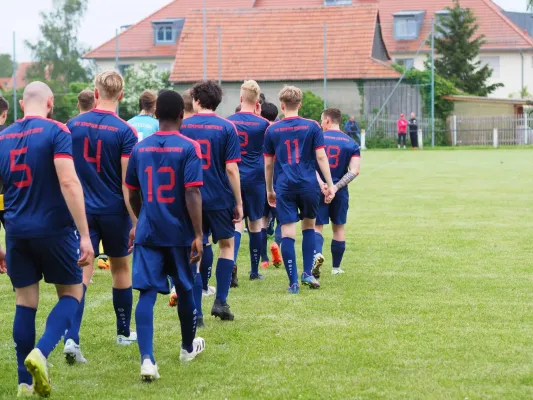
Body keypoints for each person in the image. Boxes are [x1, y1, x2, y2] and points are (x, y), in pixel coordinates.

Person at [0, 81, 94, 397]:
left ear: (23, 104)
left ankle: (24, 384)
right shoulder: (57, 132)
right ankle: (40, 352)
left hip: (16, 233)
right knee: (72, 292)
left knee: (25, 303)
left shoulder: (2, 137)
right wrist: (84, 234)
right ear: (51, 102)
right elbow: (69, 182)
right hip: (54, 230)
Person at [126, 90, 206, 381]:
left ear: (156, 114)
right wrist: (198, 232)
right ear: (181, 115)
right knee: (185, 289)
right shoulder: (189, 147)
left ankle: (147, 359)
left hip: (149, 230)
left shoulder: (140, 148)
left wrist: (138, 219)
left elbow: (133, 192)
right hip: (180, 232)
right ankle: (187, 347)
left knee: (146, 294)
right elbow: (193, 191)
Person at [65, 71, 138, 364]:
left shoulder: (71, 126)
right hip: (114, 210)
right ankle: (123, 332)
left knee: (82, 272)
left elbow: (65, 174)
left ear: (95, 93)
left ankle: (72, 337)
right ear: (120, 96)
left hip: (80, 211)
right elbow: (127, 182)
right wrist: (135, 219)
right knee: (120, 269)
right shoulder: (125, 131)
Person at [180, 80, 243, 321]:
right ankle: (221, 301)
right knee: (226, 246)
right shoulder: (227, 128)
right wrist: (238, 201)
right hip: (219, 198)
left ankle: (195, 312)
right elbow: (231, 169)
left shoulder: (182, 126)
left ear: (196, 100)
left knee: (196, 248)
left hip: (190, 199)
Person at [264, 85, 335, 293]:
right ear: (300, 104)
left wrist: (269, 189)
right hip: (308, 185)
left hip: (284, 185)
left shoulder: (272, 129)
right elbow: (321, 157)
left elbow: (268, 164)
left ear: (282, 105)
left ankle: (293, 282)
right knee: (309, 227)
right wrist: (330, 185)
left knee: (287, 231)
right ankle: (307, 274)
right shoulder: (313, 126)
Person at [228, 80, 270, 281]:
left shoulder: (228, 122)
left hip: (233, 176)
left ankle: (231, 266)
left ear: (241, 98)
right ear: (257, 102)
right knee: (255, 224)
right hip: (256, 178)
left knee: (235, 224)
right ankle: (254, 271)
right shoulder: (264, 124)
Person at [314, 108, 360, 276]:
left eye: (321, 120)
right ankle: (336, 268)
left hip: (319, 190)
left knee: (317, 227)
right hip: (339, 191)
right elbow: (354, 170)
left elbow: (310, 165)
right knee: (338, 228)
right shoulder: (351, 143)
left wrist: (323, 185)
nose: (320, 124)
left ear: (327, 120)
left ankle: (316, 257)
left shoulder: (317, 139)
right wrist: (335, 187)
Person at [260, 102, 282, 267]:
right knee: (282, 220)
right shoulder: (278, 131)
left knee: (261, 221)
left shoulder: (258, 130)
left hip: (260, 179)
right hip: (279, 179)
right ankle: (277, 244)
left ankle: (264, 259)